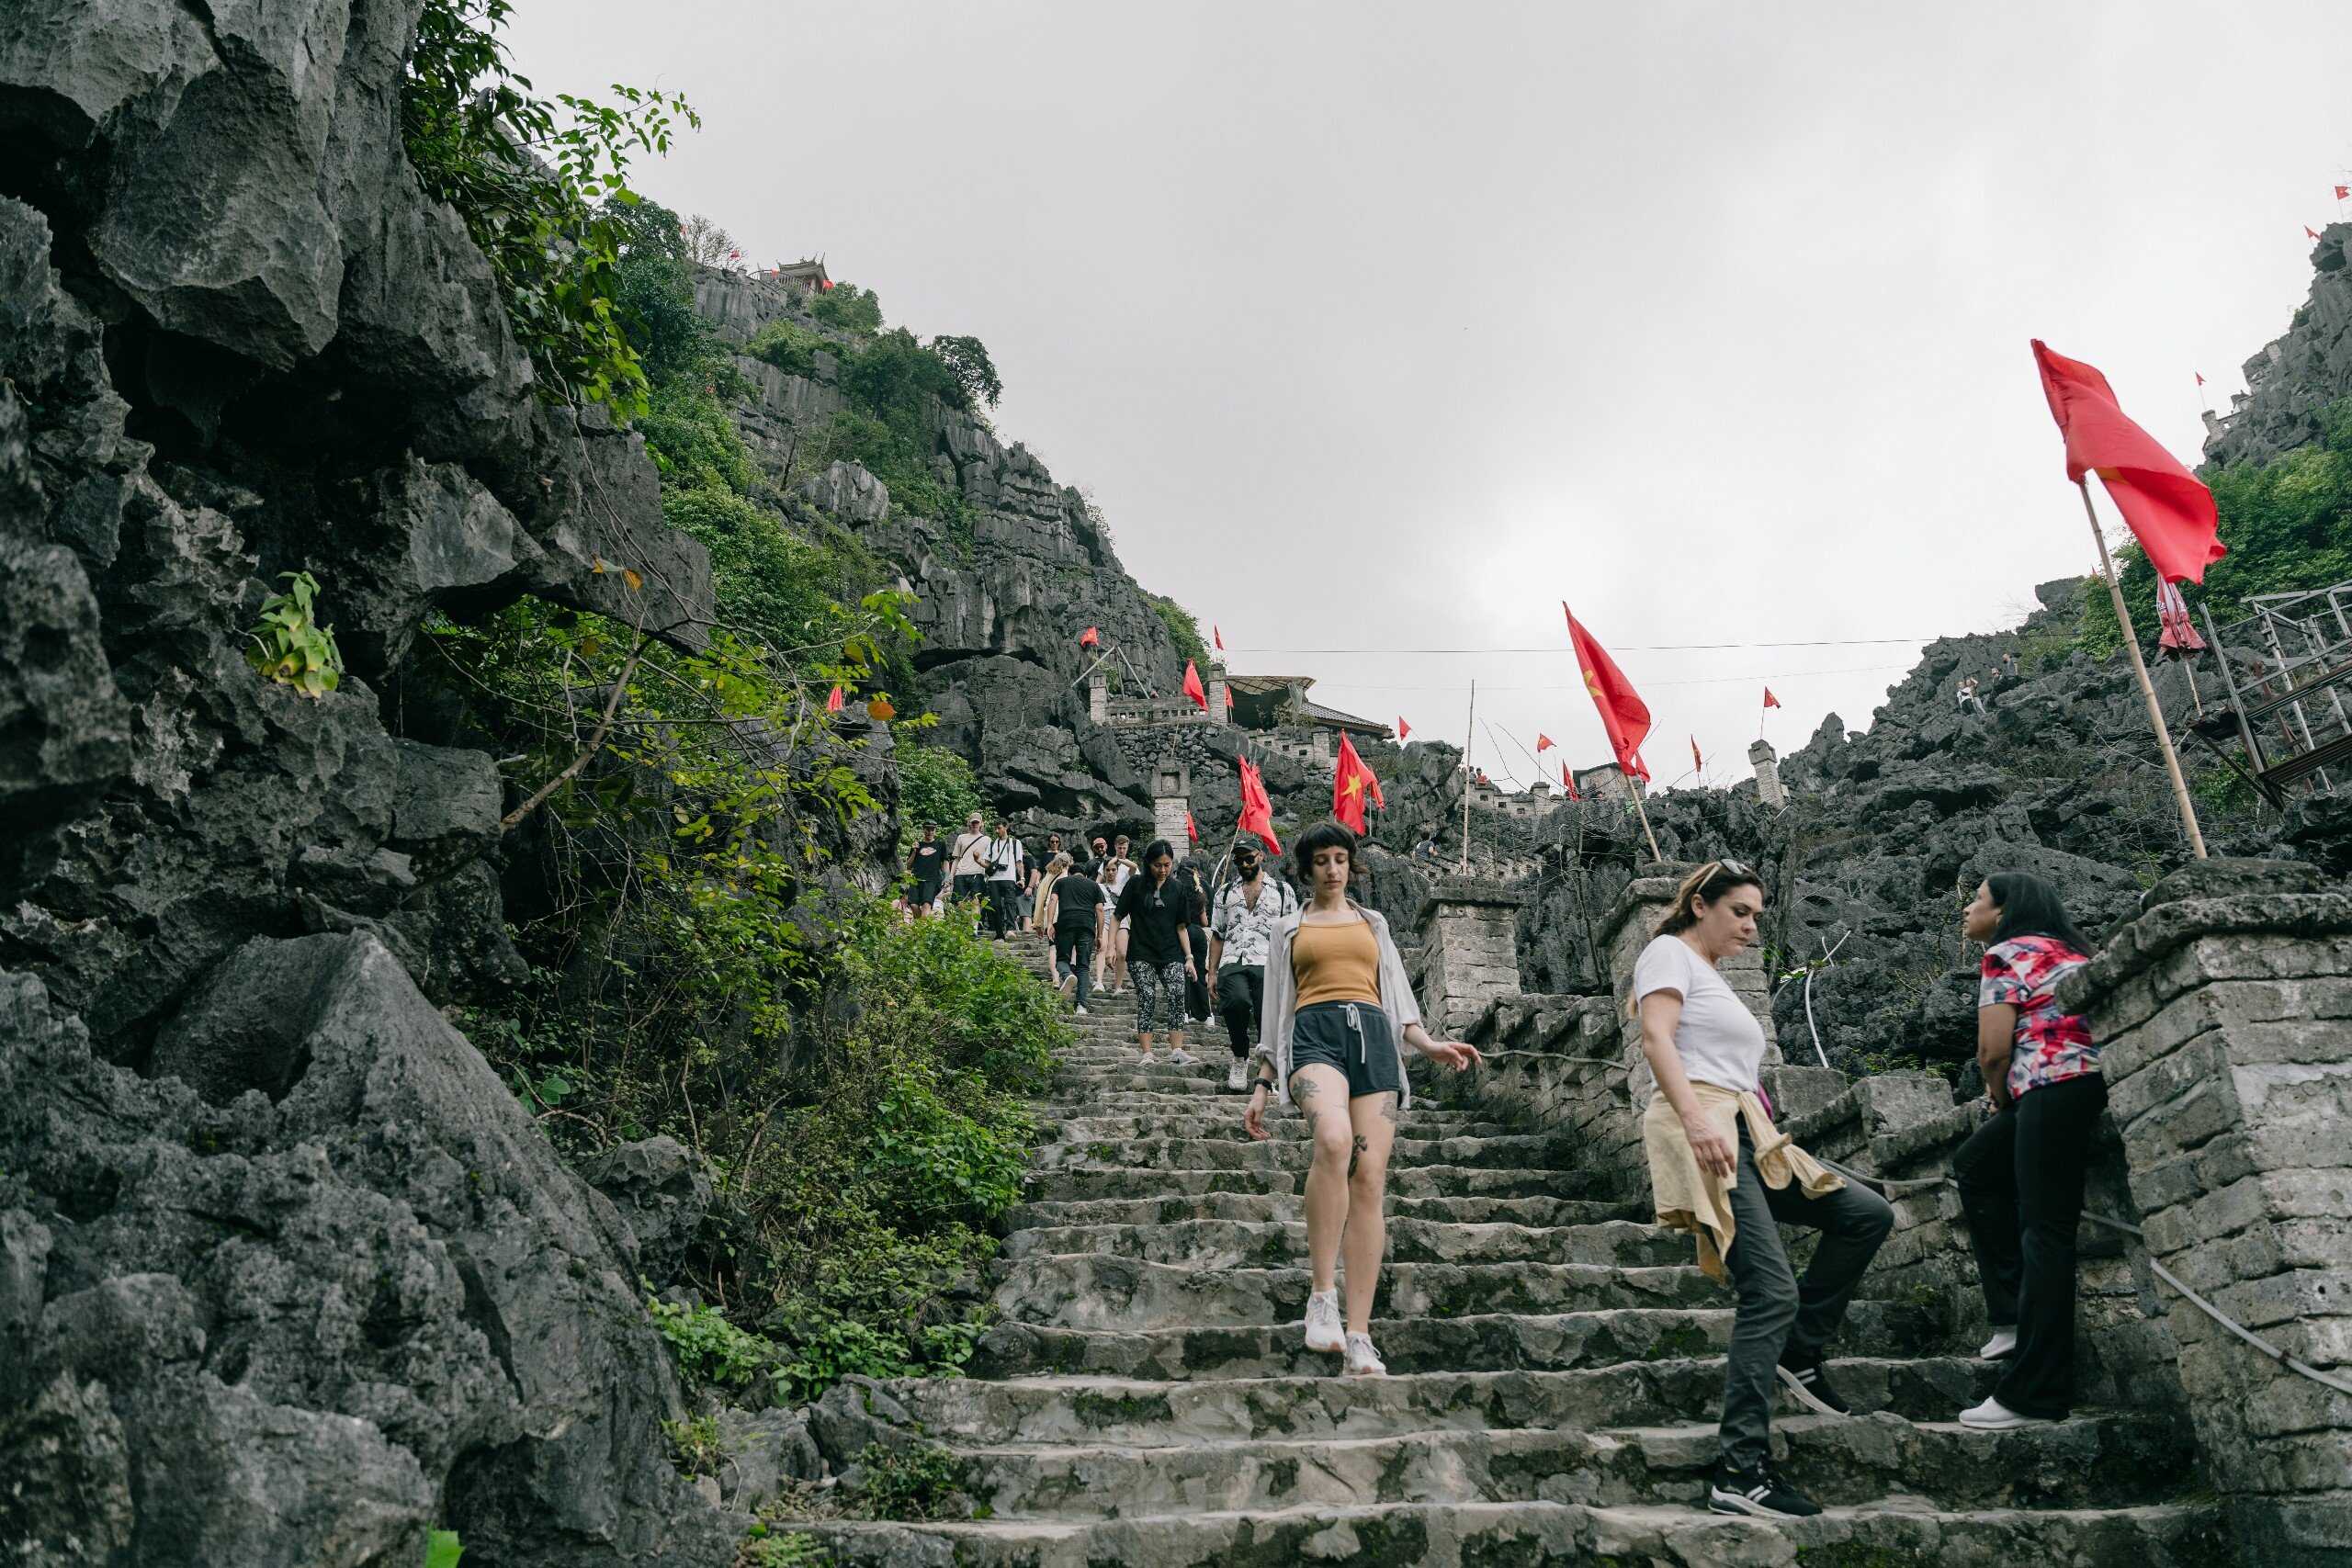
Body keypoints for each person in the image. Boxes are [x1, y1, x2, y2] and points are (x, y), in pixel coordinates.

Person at [1634, 859, 1893, 1519]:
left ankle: (1801, 1351)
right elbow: (1656, 1035)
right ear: (1700, 904)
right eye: (1741, 911)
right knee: (1770, 1288)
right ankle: (1739, 1471)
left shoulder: (1713, 975)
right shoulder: (1668, 952)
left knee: (1865, 1213)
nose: (1752, 925)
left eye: (1757, 914)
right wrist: (1695, 1119)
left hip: (1750, 1129)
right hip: (1707, 1124)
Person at [1243, 823, 1483, 1378]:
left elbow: (1398, 999)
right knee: (1334, 1139)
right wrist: (1262, 1080)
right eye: (1322, 860)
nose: (1333, 868)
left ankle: (1359, 1335)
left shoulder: (1374, 924)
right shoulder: (1288, 929)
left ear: (1351, 865)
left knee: (1370, 1178)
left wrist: (1430, 1044)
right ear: (1306, 870)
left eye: (1341, 859)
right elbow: (1274, 1009)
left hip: (1374, 1041)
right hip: (1313, 1037)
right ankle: (1321, 1296)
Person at [1951, 873, 2105, 1431]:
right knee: (1975, 1164)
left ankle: (2036, 1392)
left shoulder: (2005, 954)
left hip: (2050, 1088)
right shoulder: (2072, 950)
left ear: (2004, 911)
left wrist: (1997, 1098)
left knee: (2046, 1232)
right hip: (2079, 1085)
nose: (1968, 909)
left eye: (1977, 900)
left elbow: (1993, 1050)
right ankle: (2011, 1316)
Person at [1207, 840, 1296, 1092]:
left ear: (1261, 856)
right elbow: (1217, 934)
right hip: (1232, 960)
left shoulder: (1282, 890)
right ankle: (1239, 1056)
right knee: (1235, 1003)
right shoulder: (1225, 892)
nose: (1244, 865)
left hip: (1269, 962)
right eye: (1238, 861)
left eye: (1248, 859)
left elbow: (1293, 934)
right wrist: (1211, 972)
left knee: (1266, 1017)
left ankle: (1270, 1071)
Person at [1112, 840, 1199, 1065]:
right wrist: (1112, 947)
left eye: (1167, 865)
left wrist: (1189, 957)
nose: (1162, 870)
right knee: (1148, 996)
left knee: (1177, 994)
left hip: (1171, 952)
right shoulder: (1135, 884)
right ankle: (1147, 1053)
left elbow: (1182, 926)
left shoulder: (1178, 888)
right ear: (1148, 863)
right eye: (1157, 865)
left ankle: (1177, 1050)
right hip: (1141, 951)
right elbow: (1117, 916)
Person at [1045, 855, 1103, 1013]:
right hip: (1087, 927)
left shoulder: (1061, 882)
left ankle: (1067, 974)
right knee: (1083, 966)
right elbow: (1099, 909)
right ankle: (1081, 1006)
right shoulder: (1094, 885)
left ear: (1070, 874)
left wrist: (1050, 924)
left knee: (1062, 960)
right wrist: (1099, 936)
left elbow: (1052, 901)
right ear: (1084, 874)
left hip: (1066, 924)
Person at [1102, 835, 1138, 994]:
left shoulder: (1124, 864)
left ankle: (1118, 986)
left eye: (1124, 848)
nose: (1122, 850)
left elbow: (1134, 867)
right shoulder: (1109, 865)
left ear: (1127, 847)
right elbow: (1099, 880)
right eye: (1119, 848)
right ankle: (1099, 981)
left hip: (1123, 910)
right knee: (1103, 948)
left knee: (1123, 952)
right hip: (1108, 908)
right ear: (1115, 846)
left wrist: (1118, 859)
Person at [982, 818, 1025, 938]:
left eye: (999, 828)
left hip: (1009, 877)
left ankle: (1011, 929)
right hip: (993, 879)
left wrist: (1022, 878)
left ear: (1006, 827)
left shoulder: (1015, 843)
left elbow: (1019, 863)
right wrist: (977, 860)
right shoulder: (992, 844)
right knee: (995, 905)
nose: (997, 831)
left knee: (1010, 903)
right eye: (995, 828)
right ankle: (999, 932)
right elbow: (986, 863)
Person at [948, 813, 990, 912]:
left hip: (977, 873)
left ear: (981, 824)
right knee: (959, 901)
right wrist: (951, 875)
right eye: (973, 822)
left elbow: (989, 860)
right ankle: (966, 923)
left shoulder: (987, 839)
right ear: (969, 823)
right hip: (961, 872)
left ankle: (974, 927)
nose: (975, 824)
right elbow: (956, 858)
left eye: (977, 822)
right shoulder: (961, 838)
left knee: (976, 901)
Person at [904, 825, 946, 919]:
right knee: (913, 905)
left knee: (926, 904)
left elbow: (945, 861)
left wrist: (946, 877)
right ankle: (922, 927)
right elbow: (909, 866)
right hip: (916, 879)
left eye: (932, 830)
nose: (930, 832)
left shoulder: (940, 845)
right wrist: (914, 851)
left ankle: (922, 930)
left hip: (932, 879)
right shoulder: (917, 845)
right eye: (927, 829)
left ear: (935, 831)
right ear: (924, 830)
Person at [1028, 837, 1066, 937]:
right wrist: (1037, 880)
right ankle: (1044, 926)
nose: (1054, 843)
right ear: (1049, 843)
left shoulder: (1063, 855)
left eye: (1056, 841)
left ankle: (1056, 925)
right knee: (1044, 902)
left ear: (1059, 843)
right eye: (1052, 841)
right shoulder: (1045, 855)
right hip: (1048, 880)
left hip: (1061, 879)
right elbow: (1040, 870)